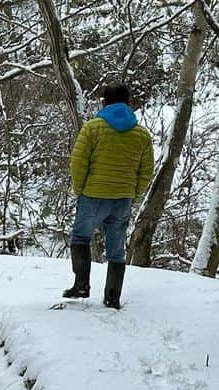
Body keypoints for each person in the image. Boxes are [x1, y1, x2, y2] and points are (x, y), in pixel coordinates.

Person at [62, 84, 154, 309]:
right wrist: (134, 193)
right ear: (127, 103)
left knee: (81, 238)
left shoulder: (93, 128)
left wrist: (79, 188)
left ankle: (81, 285)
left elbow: (79, 162)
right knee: (116, 249)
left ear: (105, 102)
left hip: (93, 195)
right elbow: (146, 170)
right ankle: (112, 297)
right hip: (122, 198)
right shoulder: (141, 134)